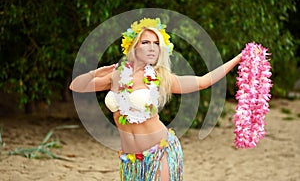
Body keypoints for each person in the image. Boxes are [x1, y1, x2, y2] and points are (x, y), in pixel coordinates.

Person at [69, 18, 242, 180]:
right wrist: (96, 72)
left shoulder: (160, 77)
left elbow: (203, 81)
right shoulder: (116, 76)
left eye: (156, 44)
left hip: (160, 151)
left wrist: (238, 58)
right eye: (145, 42)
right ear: (134, 46)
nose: (152, 47)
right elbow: (76, 86)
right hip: (131, 160)